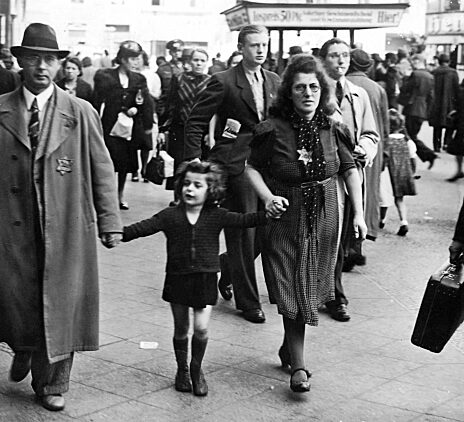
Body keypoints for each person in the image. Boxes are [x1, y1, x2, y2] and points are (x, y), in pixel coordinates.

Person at [0, 23, 122, 412]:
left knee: (63, 301)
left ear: (60, 65)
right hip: (9, 223)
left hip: (66, 223)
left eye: (49, 59)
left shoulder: (79, 111)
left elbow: (102, 168)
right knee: (16, 295)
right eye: (33, 58)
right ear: (19, 61)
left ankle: (53, 381)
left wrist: (109, 221)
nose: (41, 66)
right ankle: (24, 346)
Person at [245, 53, 366, 393]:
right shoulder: (271, 130)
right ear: (289, 92)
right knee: (290, 284)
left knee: (309, 286)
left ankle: (290, 348)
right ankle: (298, 366)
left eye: (314, 87)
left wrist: (357, 213)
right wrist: (268, 197)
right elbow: (251, 167)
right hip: (284, 217)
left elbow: (349, 169)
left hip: (326, 216)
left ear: (322, 89)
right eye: (300, 88)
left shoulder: (334, 127)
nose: (308, 93)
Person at [122, 161, 267, 396]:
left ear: (211, 190)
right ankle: (182, 370)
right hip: (177, 279)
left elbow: (244, 220)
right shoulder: (170, 215)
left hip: (205, 278)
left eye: (197, 185)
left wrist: (270, 214)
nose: (190, 189)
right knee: (181, 329)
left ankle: (196, 368)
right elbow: (144, 227)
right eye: (186, 184)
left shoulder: (217, 216)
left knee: (200, 328)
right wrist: (119, 233)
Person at [184, 24, 281, 323]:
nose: (261, 50)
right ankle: (248, 301)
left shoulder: (275, 80)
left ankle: (227, 268)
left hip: (270, 163)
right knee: (243, 232)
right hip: (235, 164)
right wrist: (194, 163)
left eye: (264, 44)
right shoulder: (223, 81)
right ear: (241, 48)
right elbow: (195, 121)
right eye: (254, 45)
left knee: (268, 229)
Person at [320, 37, 379, 321]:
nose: (341, 60)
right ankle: (232, 268)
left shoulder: (359, 94)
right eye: (334, 55)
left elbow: (371, 133)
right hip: (320, 174)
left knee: (340, 237)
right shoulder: (314, 91)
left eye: (345, 55)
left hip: (350, 172)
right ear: (323, 60)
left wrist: (365, 147)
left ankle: (334, 296)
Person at [93, 40, 153, 210]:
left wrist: (140, 114)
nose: (136, 63)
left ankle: (119, 195)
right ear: (122, 59)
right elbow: (96, 102)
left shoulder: (139, 79)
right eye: (132, 59)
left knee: (125, 164)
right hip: (109, 126)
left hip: (129, 129)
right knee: (107, 162)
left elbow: (146, 103)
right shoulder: (105, 76)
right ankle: (104, 196)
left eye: (138, 59)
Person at [346, 48, 389, 243]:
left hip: (348, 147)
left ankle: (348, 244)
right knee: (368, 191)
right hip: (371, 148)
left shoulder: (343, 85)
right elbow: (385, 125)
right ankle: (363, 236)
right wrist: (384, 151)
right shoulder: (377, 88)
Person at [159, 48, 210, 199]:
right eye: (196, 60)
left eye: (202, 60)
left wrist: (210, 133)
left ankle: (196, 198)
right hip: (179, 130)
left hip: (201, 132)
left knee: (199, 166)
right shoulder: (179, 79)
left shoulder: (211, 81)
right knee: (180, 166)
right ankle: (177, 199)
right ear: (190, 62)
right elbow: (171, 104)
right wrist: (163, 129)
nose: (199, 63)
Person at [379, 109, 417, 236]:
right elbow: (413, 158)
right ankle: (403, 222)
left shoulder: (385, 142)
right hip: (402, 174)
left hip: (387, 174)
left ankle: (381, 220)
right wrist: (412, 172)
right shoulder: (407, 141)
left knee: (384, 200)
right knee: (399, 199)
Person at [399, 53, 437, 169]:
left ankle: (428, 155)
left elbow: (405, 88)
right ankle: (425, 156)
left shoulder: (415, 74)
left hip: (412, 108)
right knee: (411, 135)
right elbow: (431, 97)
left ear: (417, 62)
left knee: (409, 136)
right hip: (422, 110)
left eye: (414, 62)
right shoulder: (430, 76)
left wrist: (405, 77)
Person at [137, 50, 161, 182]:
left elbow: (158, 94)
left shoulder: (152, 76)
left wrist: (147, 94)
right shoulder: (131, 75)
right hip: (132, 113)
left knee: (146, 143)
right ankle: (134, 169)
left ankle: (144, 169)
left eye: (138, 59)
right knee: (132, 143)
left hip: (146, 112)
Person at [430, 53, 459, 152]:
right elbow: (457, 89)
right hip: (450, 103)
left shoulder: (434, 72)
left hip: (436, 103)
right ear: (449, 61)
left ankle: (436, 146)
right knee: (450, 124)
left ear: (438, 61)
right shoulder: (453, 73)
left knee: (436, 126)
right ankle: (446, 143)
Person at [156, 39, 184, 120]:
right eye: (174, 51)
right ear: (170, 53)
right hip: (166, 107)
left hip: (182, 107)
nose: (176, 53)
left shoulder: (187, 68)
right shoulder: (163, 68)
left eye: (179, 51)